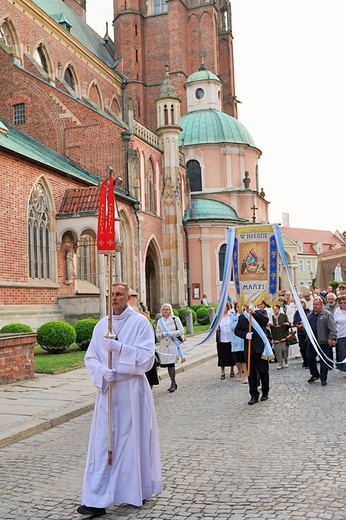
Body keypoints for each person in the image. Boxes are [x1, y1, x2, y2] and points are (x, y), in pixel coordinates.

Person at [78, 283, 162, 517]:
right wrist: (102, 372)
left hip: (132, 391)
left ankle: (135, 490)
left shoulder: (140, 323)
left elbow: (147, 359)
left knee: (131, 443)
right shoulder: (101, 325)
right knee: (103, 445)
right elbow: (91, 357)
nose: (114, 298)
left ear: (128, 298)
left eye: (118, 295)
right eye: (111, 295)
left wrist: (121, 348)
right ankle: (96, 498)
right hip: (108, 392)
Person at [235, 306, 270, 405]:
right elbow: (237, 331)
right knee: (251, 373)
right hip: (249, 349)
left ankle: (265, 392)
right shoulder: (242, 317)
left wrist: (254, 312)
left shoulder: (261, 313)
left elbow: (265, 321)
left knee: (263, 371)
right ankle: (254, 395)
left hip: (260, 348)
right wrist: (245, 335)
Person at [306, 297, 337, 386]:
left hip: (323, 341)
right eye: (314, 304)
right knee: (310, 358)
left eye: (317, 304)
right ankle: (315, 374)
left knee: (324, 361)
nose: (315, 306)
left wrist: (332, 338)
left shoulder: (327, 315)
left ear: (321, 305)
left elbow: (332, 328)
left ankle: (323, 378)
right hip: (312, 341)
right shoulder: (309, 314)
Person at [156, 303, 185, 392]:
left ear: (170, 310)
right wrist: (162, 334)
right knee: (167, 365)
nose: (165, 311)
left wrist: (172, 333)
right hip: (164, 345)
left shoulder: (175, 319)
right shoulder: (160, 321)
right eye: (164, 309)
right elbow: (157, 334)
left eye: (167, 309)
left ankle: (172, 383)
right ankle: (174, 382)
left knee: (171, 364)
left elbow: (181, 330)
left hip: (173, 344)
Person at [216, 301, 235, 379]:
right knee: (221, 355)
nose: (224, 309)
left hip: (230, 338)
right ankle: (222, 371)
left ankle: (232, 370)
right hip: (221, 338)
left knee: (231, 355)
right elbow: (214, 327)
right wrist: (216, 329)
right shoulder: (218, 317)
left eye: (225, 307)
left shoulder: (231, 315)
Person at [230, 302, 247, 382]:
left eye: (240, 306)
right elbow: (233, 326)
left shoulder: (246, 316)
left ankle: (246, 375)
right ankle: (239, 373)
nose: (239, 308)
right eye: (237, 307)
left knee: (243, 358)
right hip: (236, 339)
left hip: (243, 339)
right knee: (237, 359)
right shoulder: (233, 316)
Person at [269, 304, 291, 369]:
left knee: (284, 348)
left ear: (279, 309)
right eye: (274, 309)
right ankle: (280, 362)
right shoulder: (272, 317)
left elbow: (288, 323)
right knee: (277, 350)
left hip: (283, 334)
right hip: (275, 335)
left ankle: (286, 360)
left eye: (276, 309)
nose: (275, 311)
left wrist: (286, 324)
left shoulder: (283, 316)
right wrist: (271, 325)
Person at [293, 299, 310, 368]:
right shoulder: (297, 313)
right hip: (301, 332)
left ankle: (309, 361)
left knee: (308, 347)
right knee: (302, 347)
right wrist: (298, 324)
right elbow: (295, 321)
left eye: (302, 303)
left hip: (308, 332)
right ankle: (305, 360)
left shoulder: (308, 311)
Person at [334, 294, 346, 373]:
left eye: (344, 302)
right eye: (341, 303)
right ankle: (344, 369)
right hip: (341, 335)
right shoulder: (337, 312)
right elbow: (334, 324)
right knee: (343, 353)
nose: (343, 304)